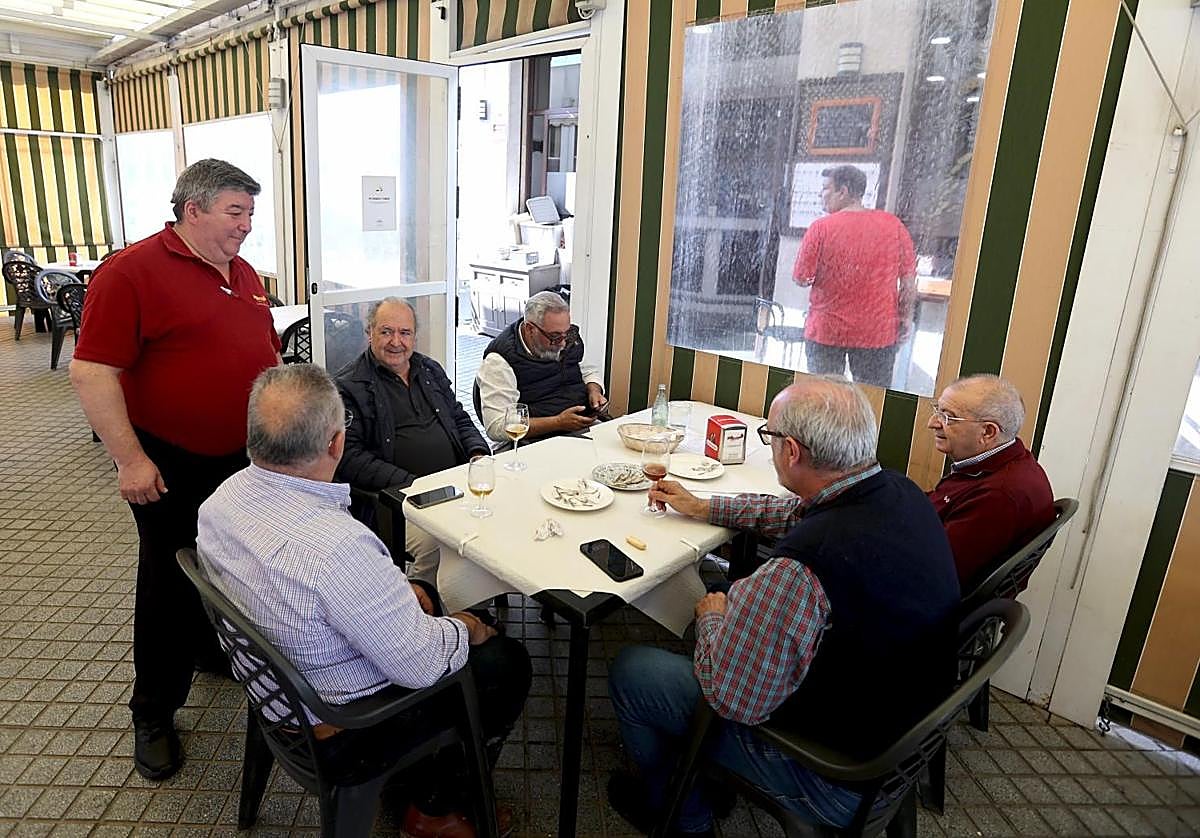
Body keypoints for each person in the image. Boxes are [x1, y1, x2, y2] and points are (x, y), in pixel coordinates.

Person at [608, 377, 959, 835]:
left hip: (837, 775)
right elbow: (794, 514)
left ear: (790, 451)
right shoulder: (897, 490)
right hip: (904, 731)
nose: (769, 445)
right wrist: (703, 506)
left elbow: (733, 698)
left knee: (634, 670)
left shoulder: (802, 570)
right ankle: (699, 775)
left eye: (769, 436)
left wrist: (712, 618)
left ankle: (683, 816)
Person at [197, 364, 530, 838]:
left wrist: (394, 595)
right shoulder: (336, 547)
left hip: (277, 686)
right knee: (507, 662)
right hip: (344, 726)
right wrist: (470, 628)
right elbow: (420, 666)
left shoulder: (220, 501)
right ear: (336, 445)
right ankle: (435, 808)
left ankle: (424, 774)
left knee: (427, 595)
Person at [69, 159, 281, 781]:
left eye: (249, 213)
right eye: (235, 212)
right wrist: (129, 459)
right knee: (167, 578)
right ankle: (154, 711)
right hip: (168, 459)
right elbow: (92, 371)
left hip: (239, 458)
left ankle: (208, 648)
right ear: (193, 209)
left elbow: (262, 353)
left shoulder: (241, 274)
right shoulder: (130, 272)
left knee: (226, 565)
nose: (246, 226)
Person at [335, 297, 490, 583]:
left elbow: (458, 417)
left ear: (415, 337)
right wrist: (412, 483)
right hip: (397, 502)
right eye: (386, 332)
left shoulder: (428, 369)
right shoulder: (348, 386)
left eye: (404, 333)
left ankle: (473, 605)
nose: (396, 341)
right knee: (437, 544)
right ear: (369, 333)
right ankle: (420, 609)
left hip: (455, 485)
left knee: (493, 517)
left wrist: (478, 453)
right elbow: (349, 457)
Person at [926, 373, 1056, 589]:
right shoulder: (1007, 461)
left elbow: (932, 573)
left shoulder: (999, 496)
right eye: (937, 411)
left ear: (988, 432)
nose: (933, 423)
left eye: (948, 417)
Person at [793, 164, 917, 388]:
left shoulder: (821, 228)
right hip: (877, 333)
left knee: (826, 402)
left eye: (826, 188)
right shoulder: (894, 226)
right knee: (872, 402)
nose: (822, 195)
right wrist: (906, 317)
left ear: (844, 191)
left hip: (827, 332)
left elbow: (802, 278)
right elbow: (908, 282)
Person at [474, 291, 607, 444]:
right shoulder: (499, 362)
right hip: (534, 441)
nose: (563, 343)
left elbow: (587, 370)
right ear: (530, 329)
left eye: (566, 333)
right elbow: (496, 426)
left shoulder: (567, 338)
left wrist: (594, 390)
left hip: (582, 427)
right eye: (555, 337)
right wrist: (557, 422)